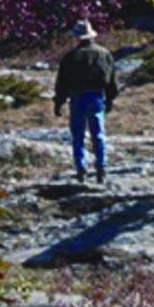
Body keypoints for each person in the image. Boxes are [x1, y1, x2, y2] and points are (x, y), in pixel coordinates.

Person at [52, 20, 119, 184]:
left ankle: (81, 169)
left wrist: (59, 102)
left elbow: (62, 83)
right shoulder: (104, 54)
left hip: (77, 97)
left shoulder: (70, 57)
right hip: (97, 96)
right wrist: (110, 99)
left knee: (78, 135)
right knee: (98, 134)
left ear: (77, 37)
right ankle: (101, 168)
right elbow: (111, 80)